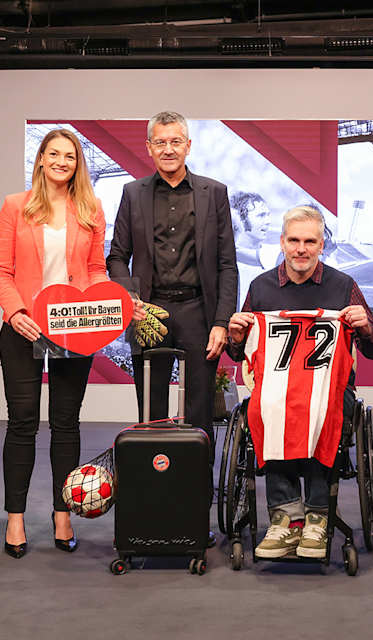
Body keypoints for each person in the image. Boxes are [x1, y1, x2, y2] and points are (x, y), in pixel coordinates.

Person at [227, 206, 373, 559]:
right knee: (265, 407)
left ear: (322, 245)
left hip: (329, 389)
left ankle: (317, 514)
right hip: (276, 390)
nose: (301, 248)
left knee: (322, 407)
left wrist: (365, 325)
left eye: (309, 241)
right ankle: (286, 516)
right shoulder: (262, 287)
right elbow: (241, 355)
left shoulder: (343, 286)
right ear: (282, 243)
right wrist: (237, 336)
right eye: (294, 240)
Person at [0, 129, 119, 558]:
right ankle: (15, 518)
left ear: (77, 163)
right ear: (42, 159)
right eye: (54, 154)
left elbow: (98, 268)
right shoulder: (14, 206)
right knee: (22, 422)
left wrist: (106, 304)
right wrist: (15, 313)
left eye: (70, 155)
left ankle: (63, 513)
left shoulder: (91, 208)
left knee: (66, 422)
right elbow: (1, 271)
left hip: (73, 328)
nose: (62, 161)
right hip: (24, 326)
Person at [107, 111, 239, 457]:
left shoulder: (215, 193)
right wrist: (130, 299)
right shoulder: (133, 194)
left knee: (198, 410)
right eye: (161, 142)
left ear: (188, 146)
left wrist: (222, 322)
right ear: (149, 147)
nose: (169, 149)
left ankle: (196, 488)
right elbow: (117, 256)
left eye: (175, 141)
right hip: (147, 312)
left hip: (199, 311)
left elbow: (227, 264)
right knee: (151, 409)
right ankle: (155, 484)